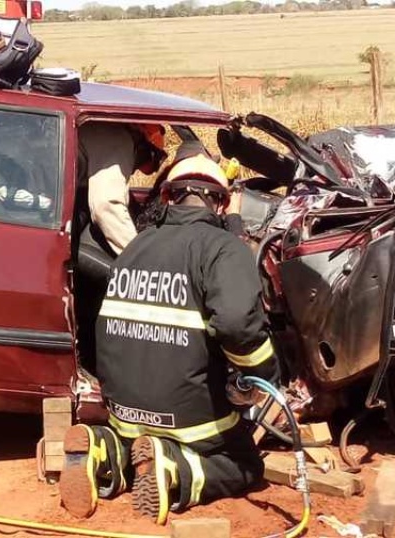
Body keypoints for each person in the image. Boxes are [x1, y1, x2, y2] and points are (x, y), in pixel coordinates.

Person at [59, 153, 277, 524]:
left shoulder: (135, 247)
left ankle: (104, 449)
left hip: (125, 415)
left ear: (165, 197)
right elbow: (238, 324)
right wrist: (262, 373)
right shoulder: (222, 248)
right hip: (188, 421)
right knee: (244, 465)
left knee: (133, 446)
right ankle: (176, 468)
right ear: (221, 204)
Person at [73, 122, 168, 374]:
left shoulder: (102, 133)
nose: (133, 168)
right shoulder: (118, 137)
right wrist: (146, 260)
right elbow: (106, 205)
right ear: (144, 147)